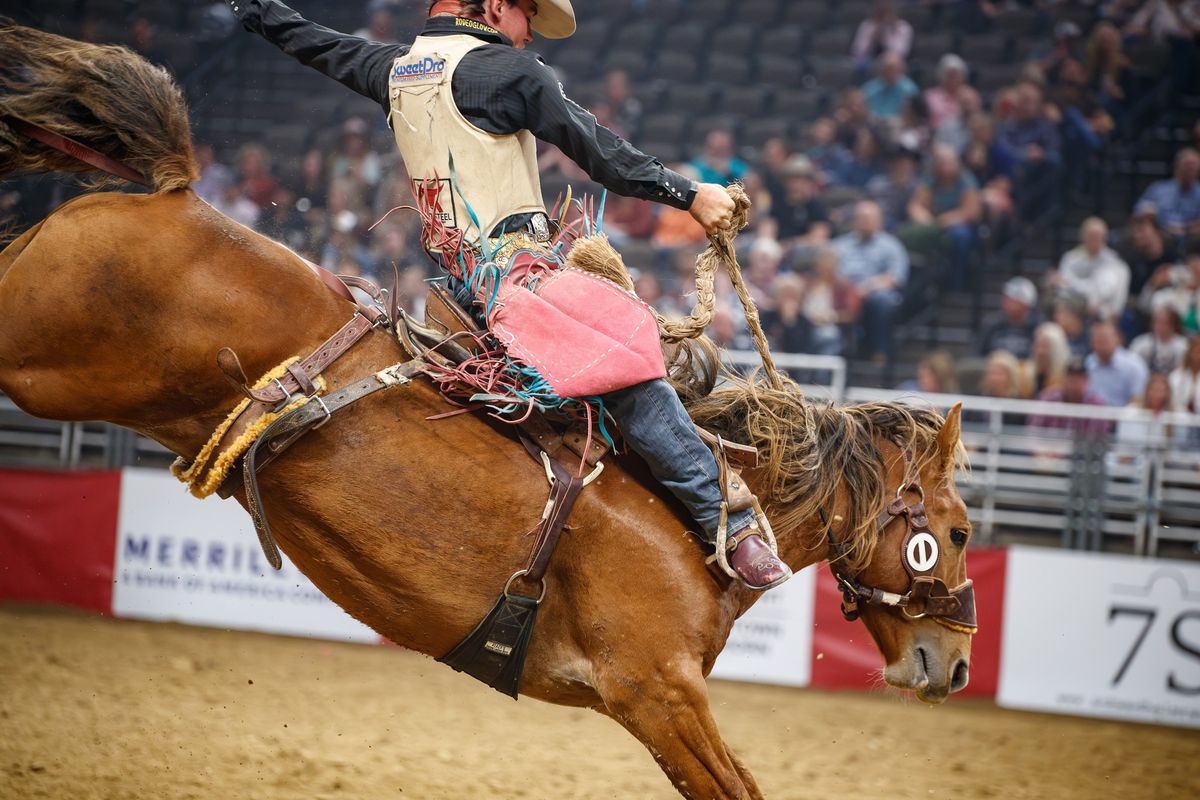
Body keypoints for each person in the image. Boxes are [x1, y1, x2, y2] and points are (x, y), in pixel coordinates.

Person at [226, 0, 791, 589]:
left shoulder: (391, 68)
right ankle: (733, 523)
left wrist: (254, 9)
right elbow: (599, 152)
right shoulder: (512, 73)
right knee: (627, 366)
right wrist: (688, 194)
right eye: (526, 18)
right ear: (496, 7)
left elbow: (307, 39)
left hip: (452, 289)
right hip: (517, 280)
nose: (526, 37)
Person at [832, 201, 909, 362]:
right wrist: (848, 288)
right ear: (854, 220)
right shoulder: (840, 245)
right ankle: (836, 354)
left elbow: (896, 277)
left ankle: (880, 352)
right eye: (861, 218)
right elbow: (827, 270)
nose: (865, 221)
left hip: (874, 292)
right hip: (843, 292)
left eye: (869, 218)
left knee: (884, 300)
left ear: (879, 220)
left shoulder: (891, 246)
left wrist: (868, 287)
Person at [903, 144, 980, 290]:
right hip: (934, 224)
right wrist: (923, 217)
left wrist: (944, 220)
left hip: (958, 223)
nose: (945, 167)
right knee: (912, 234)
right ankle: (921, 286)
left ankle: (957, 282)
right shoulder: (930, 179)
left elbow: (971, 211)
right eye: (941, 163)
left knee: (961, 236)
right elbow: (915, 205)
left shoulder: (966, 180)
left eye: (948, 163)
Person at [1050, 217, 1131, 321]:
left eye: (1099, 236)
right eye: (1092, 236)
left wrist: (1070, 284)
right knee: (1059, 306)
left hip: (1102, 311)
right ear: (1083, 236)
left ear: (1105, 238)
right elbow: (1062, 289)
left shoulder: (1114, 262)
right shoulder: (1070, 258)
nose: (1095, 239)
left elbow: (1102, 292)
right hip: (1073, 307)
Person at [1136, 148, 1200, 241]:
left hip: (1191, 236)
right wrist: (1148, 214)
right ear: (1178, 166)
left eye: (1194, 167)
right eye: (1187, 165)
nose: (1190, 170)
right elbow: (1139, 212)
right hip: (1161, 234)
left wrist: (1185, 229)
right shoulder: (1159, 188)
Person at [1086, 320, 1150, 406]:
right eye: (1098, 339)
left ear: (1117, 339)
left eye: (1105, 338)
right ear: (1091, 342)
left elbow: (1138, 398)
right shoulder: (1087, 364)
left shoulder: (1133, 365)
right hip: (1092, 416)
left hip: (1124, 416)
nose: (1102, 343)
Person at [975, 276, 1040, 359]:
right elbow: (978, 355)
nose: (1006, 301)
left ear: (1026, 304)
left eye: (1013, 299)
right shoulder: (991, 324)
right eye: (1006, 297)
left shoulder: (1038, 327)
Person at [1130, 306, 1190, 373]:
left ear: (1173, 324)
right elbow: (1131, 366)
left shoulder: (1183, 346)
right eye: (1157, 321)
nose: (1159, 326)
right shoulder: (1140, 343)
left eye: (1164, 322)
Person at [861, 52, 919, 121]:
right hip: (874, 124)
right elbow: (863, 111)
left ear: (901, 69)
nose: (890, 72)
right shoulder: (869, 89)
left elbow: (913, 115)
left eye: (894, 69)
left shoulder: (909, 89)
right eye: (887, 69)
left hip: (899, 125)